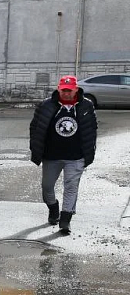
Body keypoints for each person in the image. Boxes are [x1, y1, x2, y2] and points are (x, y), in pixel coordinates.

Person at [29, 75, 97, 234]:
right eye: (64, 90)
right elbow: (35, 127)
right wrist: (35, 148)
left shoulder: (86, 105)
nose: (66, 93)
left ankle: (65, 219)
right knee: (47, 186)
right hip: (51, 156)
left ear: (76, 90)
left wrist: (89, 152)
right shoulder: (46, 105)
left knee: (71, 187)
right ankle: (53, 208)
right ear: (59, 89)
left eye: (70, 90)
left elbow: (92, 130)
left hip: (76, 156)